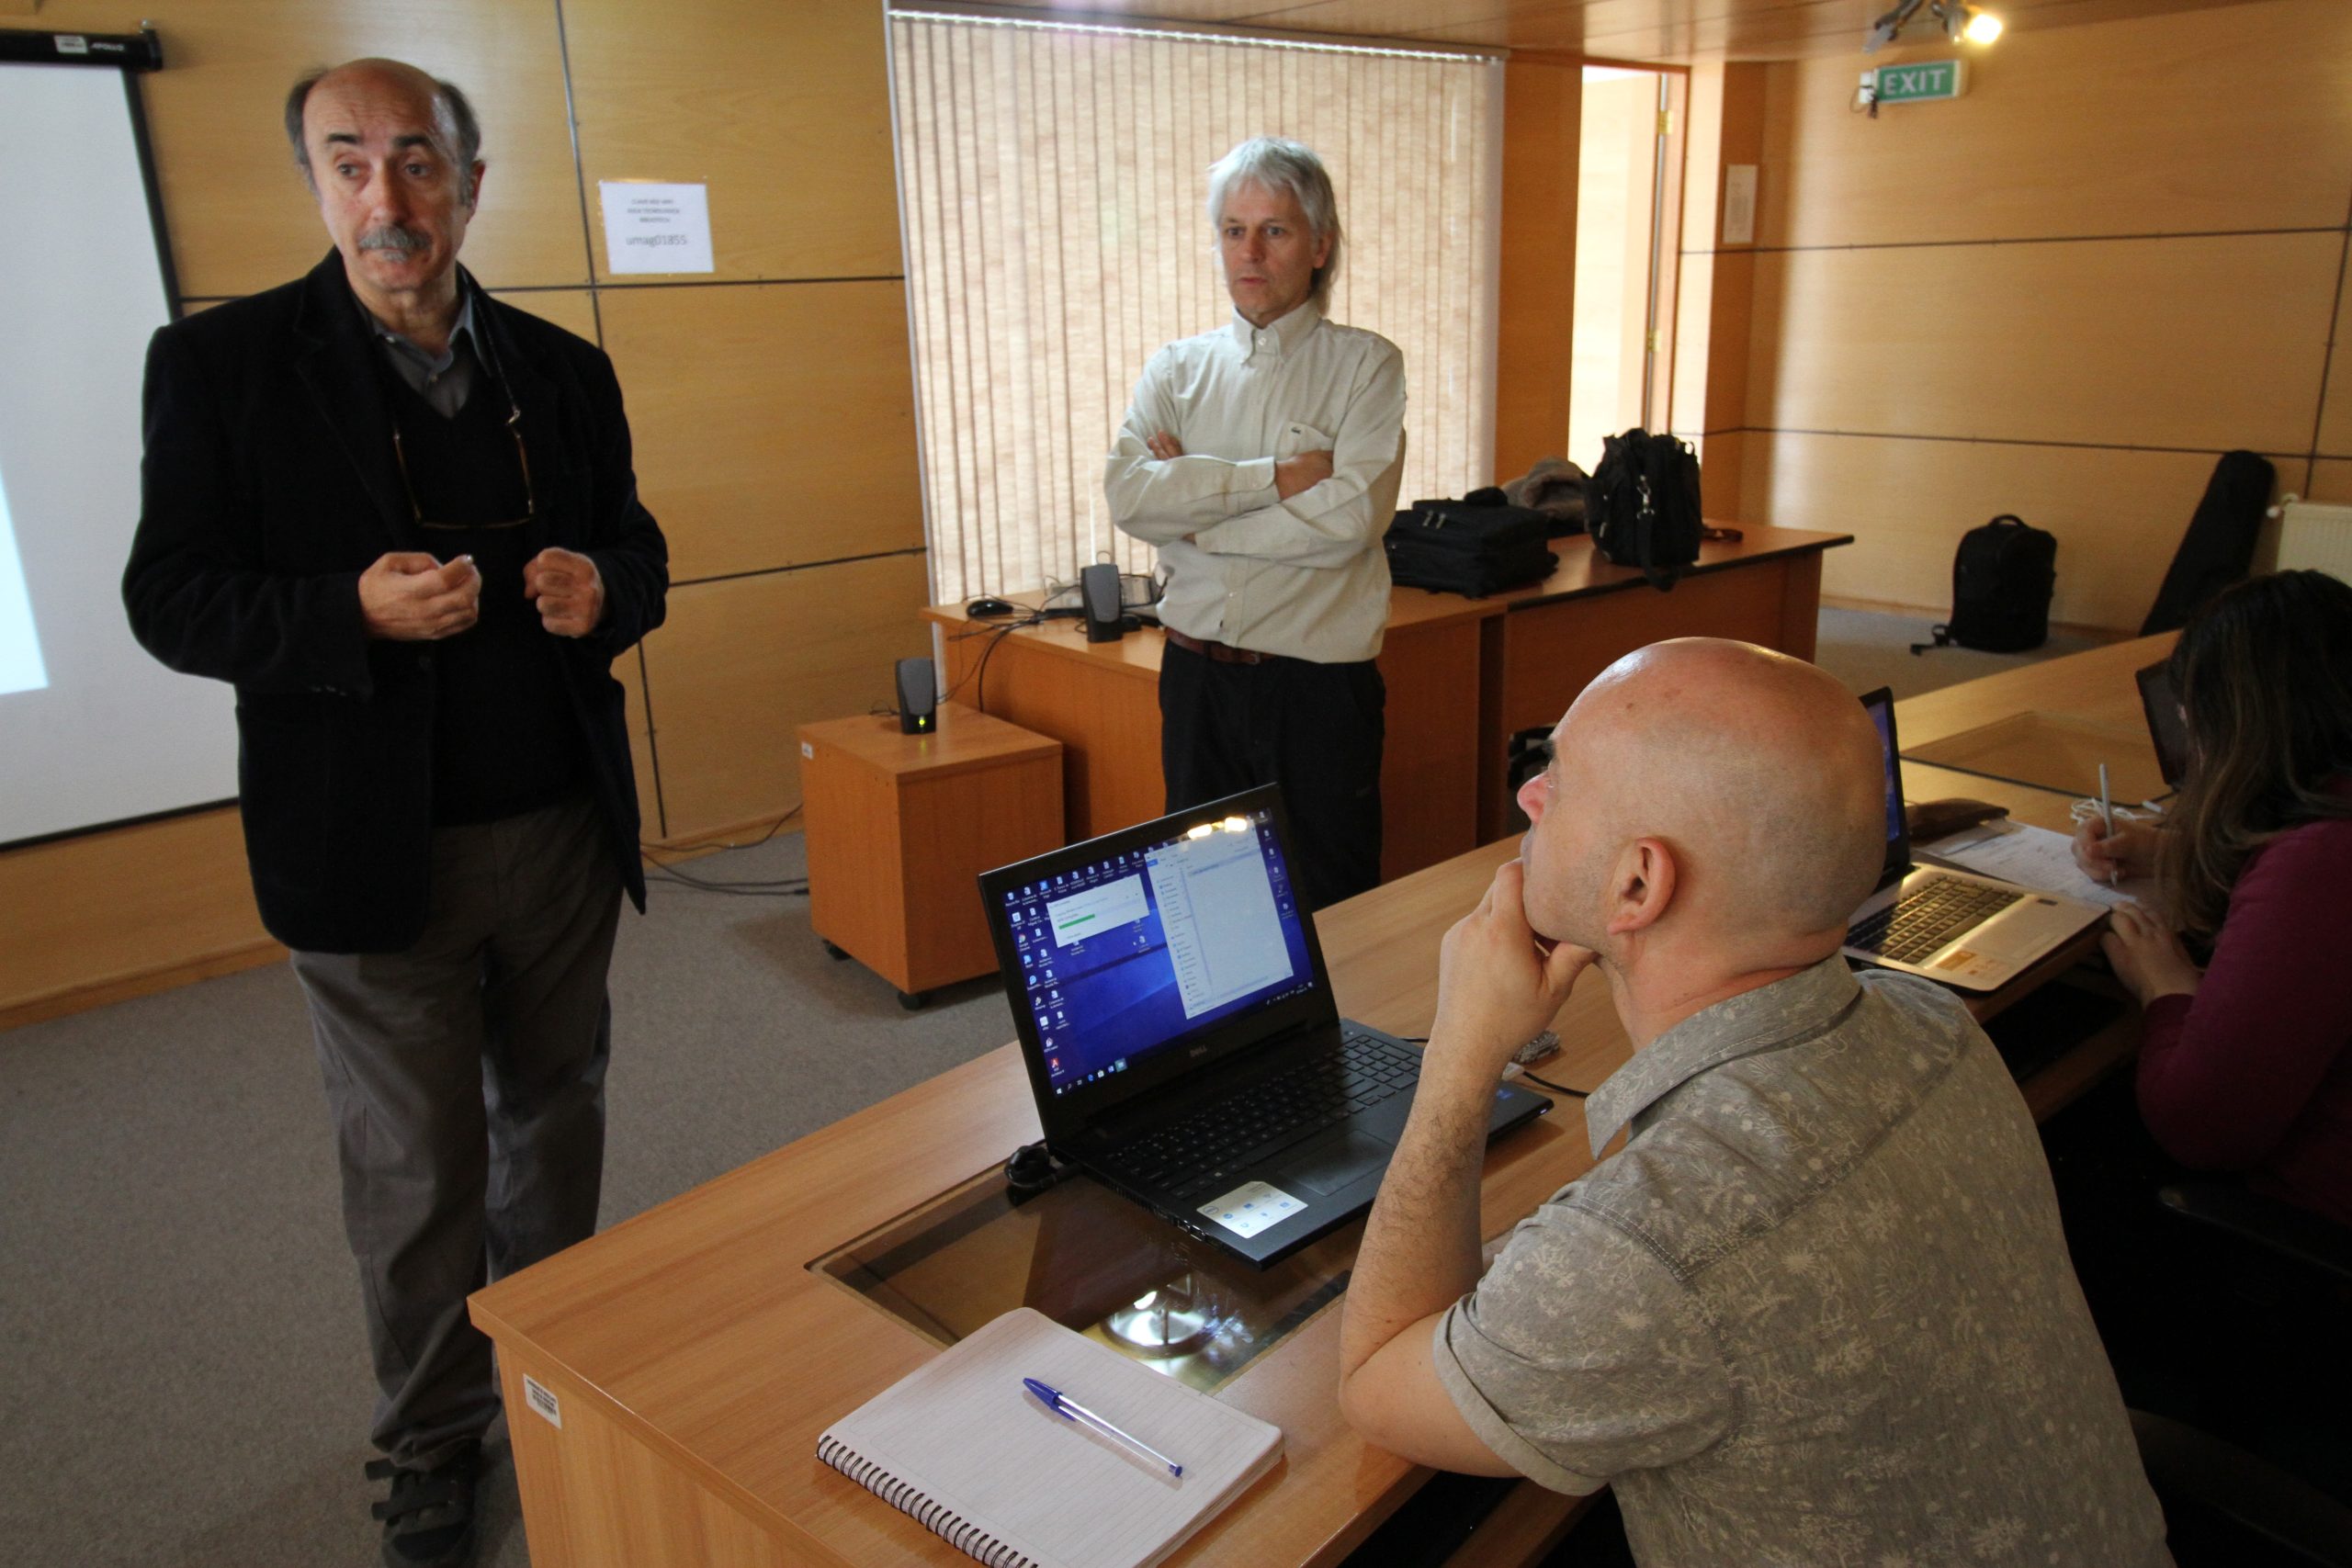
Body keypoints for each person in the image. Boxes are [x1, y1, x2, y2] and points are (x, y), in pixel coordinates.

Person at [122, 59, 667, 1568]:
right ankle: (431, 1446)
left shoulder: (562, 366)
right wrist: (341, 613)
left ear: (471, 185)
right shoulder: (221, 368)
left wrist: (604, 588)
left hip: (555, 826)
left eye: (417, 163)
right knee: (416, 1171)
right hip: (367, 852)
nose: (387, 199)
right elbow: (167, 598)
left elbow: (637, 544)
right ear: (314, 184)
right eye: (349, 163)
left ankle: (552, 1379)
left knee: (555, 1122)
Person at [1336, 639, 2170, 1566]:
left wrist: (1458, 1057)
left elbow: (1375, 1385)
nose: (1529, 797)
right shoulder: (1935, 1024)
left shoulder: (1648, 1251)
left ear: (1638, 886)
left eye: (1557, 779)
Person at [1104, 136, 1406, 910]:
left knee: (1334, 900)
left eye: (1274, 229)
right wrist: (1272, 481)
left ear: (1319, 246)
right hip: (1197, 679)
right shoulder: (1177, 369)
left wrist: (1198, 517)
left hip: (1314, 690)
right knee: (1204, 902)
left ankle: (1351, 1039)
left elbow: (1351, 518)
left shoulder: (1366, 367)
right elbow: (1133, 499)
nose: (1250, 251)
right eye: (1234, 230)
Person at [2073, 569, 2352, 1230]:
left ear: (2240, 726)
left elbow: (2198, 1125)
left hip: (2306, 1231)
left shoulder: (2320, 866)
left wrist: (2164, 982)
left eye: (2193, 720)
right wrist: (2169, 849)